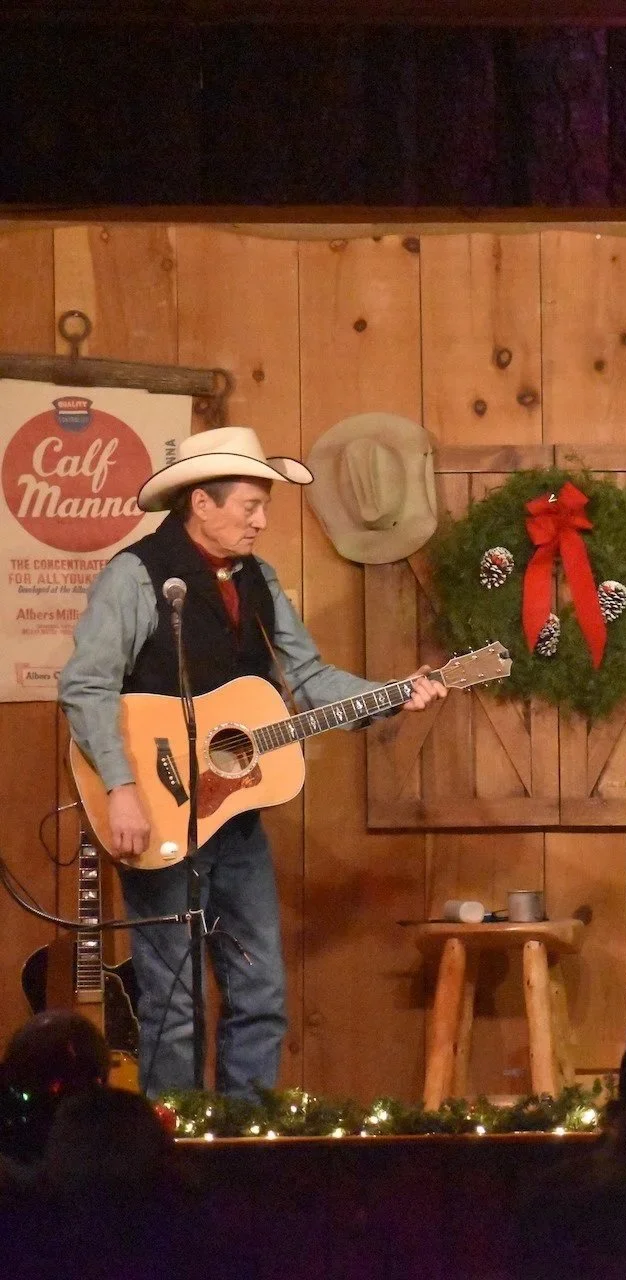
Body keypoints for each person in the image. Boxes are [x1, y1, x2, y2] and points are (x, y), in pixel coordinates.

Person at [58, 427, 446, 1096]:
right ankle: (176, 1142)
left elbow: (309, 677)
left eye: (264, 505)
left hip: (234, 825)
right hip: (155, 813)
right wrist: (121, 786)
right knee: (173, 1005)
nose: (262, 520)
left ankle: (247, 1140)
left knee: (261, 994)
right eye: (250, 505)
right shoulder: (137, 575)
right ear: (200, 503)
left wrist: (391, 695)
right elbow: (87, 686)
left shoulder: (259, 581)